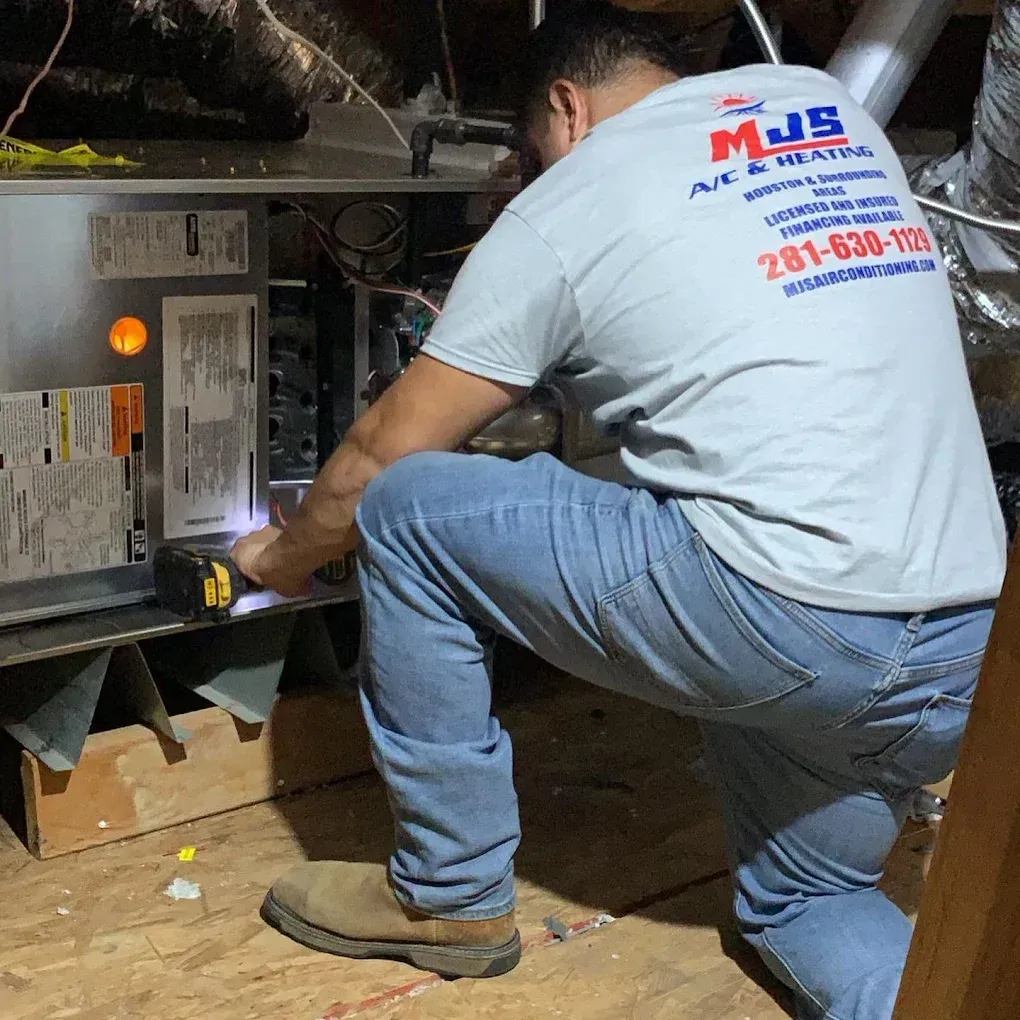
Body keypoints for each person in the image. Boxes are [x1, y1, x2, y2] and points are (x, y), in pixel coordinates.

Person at [229, 3, 1005, 1017]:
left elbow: (377, 459)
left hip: (795, 625)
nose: (539, 183)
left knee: (412, 512)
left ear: (565, 108)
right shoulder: (825, 108)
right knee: (809, 900)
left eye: (535, 158)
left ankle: (448, 893)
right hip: (968, 654)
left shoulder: (574, 198)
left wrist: (277, 561)